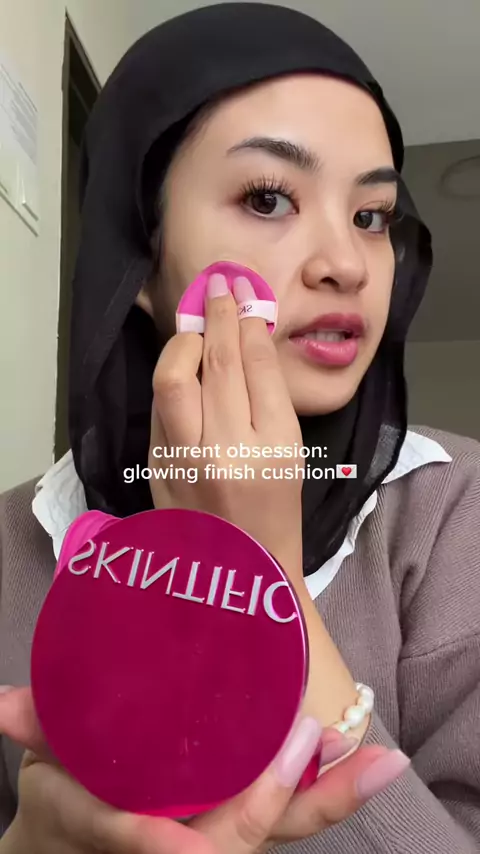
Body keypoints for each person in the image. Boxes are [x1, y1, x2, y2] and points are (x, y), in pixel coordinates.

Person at [0, 3, 479, 852]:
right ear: (139, 254)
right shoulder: (14, 543)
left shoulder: (454, 509)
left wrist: (260, 580)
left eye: (372, 215)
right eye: (268, 198)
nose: (346, 264)